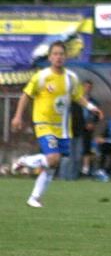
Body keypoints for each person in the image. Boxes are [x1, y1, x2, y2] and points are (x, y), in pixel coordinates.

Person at [11, 41, 103, 206]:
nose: (58, 57)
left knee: (53, 165)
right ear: (50, 57)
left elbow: (77, 96)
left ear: (65, 57)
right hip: (43, 123)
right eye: (55, 54)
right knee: (53, 159)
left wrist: (91, 107)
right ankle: (24, 161)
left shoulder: (71, 78)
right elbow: (26, 95)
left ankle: (34, 198)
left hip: (62, 127)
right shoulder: (42, 76)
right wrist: (18, 116)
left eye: (61, 54)